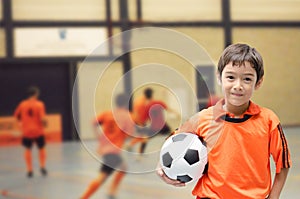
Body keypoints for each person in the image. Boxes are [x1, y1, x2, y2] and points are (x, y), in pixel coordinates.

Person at [157, 43, 291, 199]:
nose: (238, 86)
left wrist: (273, 197)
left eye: (247, 79)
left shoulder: (269, 121)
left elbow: (284, 164)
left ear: (258, 82)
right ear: (219, 78)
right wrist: (162, 165)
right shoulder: (203, 119)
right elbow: (173, 142)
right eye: (231, 77)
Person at [80, 93, 134, 199]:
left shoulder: (108, 113)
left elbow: (94, 122)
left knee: (123, 168)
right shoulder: (127, 116)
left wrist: (98, 137)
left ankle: (112, 192)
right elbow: (129, 134)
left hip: (105, 148)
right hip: (113, 150)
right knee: (102, 177)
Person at [14, 86, 47, 178]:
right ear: (36, 94)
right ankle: (42, 166)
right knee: (41, 148)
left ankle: (29, 170)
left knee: (28, 149)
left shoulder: (22, 104)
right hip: (38, 131)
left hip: (26, 131)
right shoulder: (40, 104)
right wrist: (45, 123)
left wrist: (22, 123)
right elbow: (42, 118)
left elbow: (16, 115)